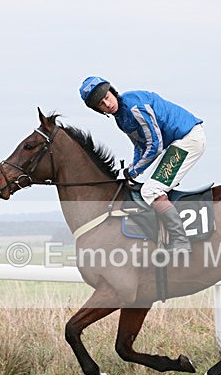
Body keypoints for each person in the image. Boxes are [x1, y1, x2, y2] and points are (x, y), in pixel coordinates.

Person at [79, 76, 205, 252]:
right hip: (177, 142)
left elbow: (155, 144)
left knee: (150, 190)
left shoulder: (133, 106)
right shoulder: (121, 119)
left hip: (188, 139)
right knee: (147, 186)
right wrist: (131, 171)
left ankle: (180, 240)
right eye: (101, 104)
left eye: (106, 97)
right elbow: (140, 146)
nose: (107, 104)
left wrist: (133, 170)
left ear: (112, 91)